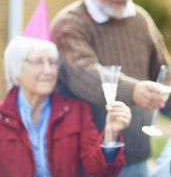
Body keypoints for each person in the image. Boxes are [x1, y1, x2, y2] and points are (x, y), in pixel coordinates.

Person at [50, 0, 171, 176]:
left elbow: (165, 79)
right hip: (87, 160)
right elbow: (83, 74)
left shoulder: (140, 20)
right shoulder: (70, 24)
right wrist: (134, 90)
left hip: (137, 158)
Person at [0, 36, 131, 177]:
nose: (48, 71)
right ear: (16, 69)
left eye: (52, 62)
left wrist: (110, 133)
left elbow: (98, 168)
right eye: (38, 62)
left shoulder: (76, 111)